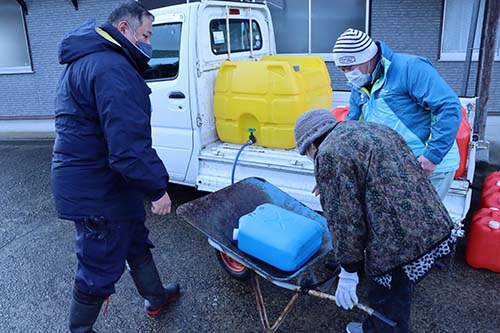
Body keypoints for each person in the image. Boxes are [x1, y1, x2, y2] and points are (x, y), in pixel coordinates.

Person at [51, 2, 180, 332]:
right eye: (147, 35)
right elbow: (128, 146)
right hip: (97, 188)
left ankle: (156, 296)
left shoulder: (92, 60)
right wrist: (157, 189)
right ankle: (80, 330)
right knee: (98, 263)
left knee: (135, 239)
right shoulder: (112, 67)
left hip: (103, 181)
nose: (150, 43)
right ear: (124, 30)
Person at [294, 109, 457, 333]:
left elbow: (346, 221)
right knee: (400, 286)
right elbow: (371, 174)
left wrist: (349, 272)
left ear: (311, 145)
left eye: (307, 154)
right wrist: (329, 181)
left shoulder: (329, 153)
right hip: (430, 218)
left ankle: (381, 330)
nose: (312, 158)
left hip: (398, 236)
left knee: (389, 291)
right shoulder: (366, 128)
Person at [332, 28, 462, 200]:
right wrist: (331, 168)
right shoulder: (360, 87)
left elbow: (448, 107)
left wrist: (432, 156)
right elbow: (351, 128)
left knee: (423, 223)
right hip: (395, 167)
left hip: (428, 165)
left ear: (368, 58)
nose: (348, 74)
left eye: (350, 67)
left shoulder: (409, 68)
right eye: (343, 69)